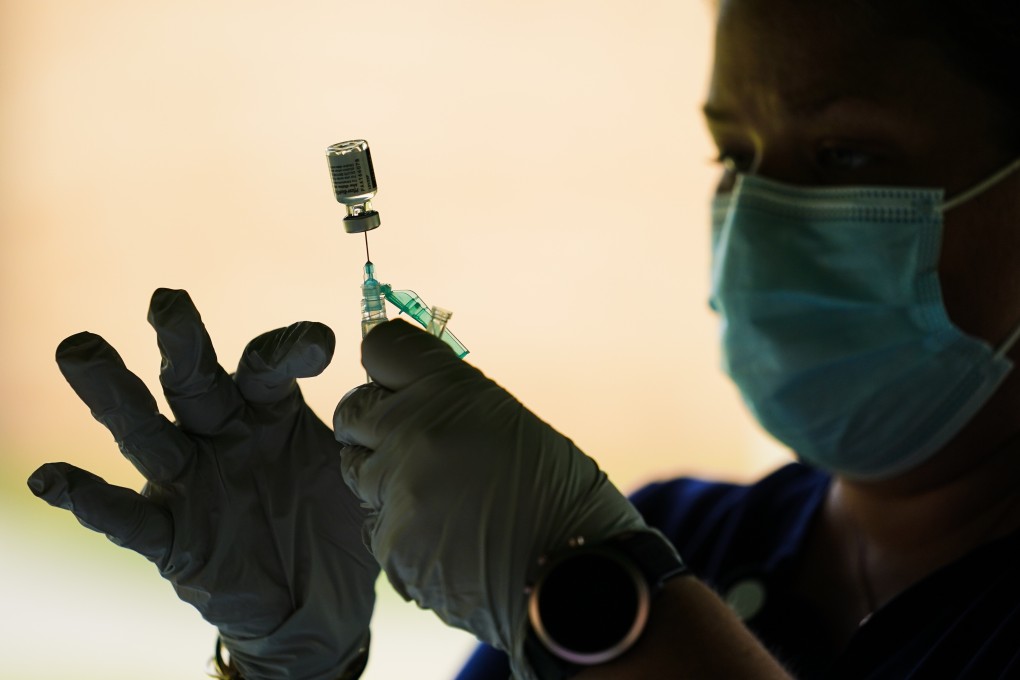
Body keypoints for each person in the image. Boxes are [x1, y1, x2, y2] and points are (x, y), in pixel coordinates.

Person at [28, 0, 1020, 677]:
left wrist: (611, 606)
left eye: (847, 153)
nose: (760, 215)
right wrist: (294, 665)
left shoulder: (603, 570)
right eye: (734, 154)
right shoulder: (686, 535)